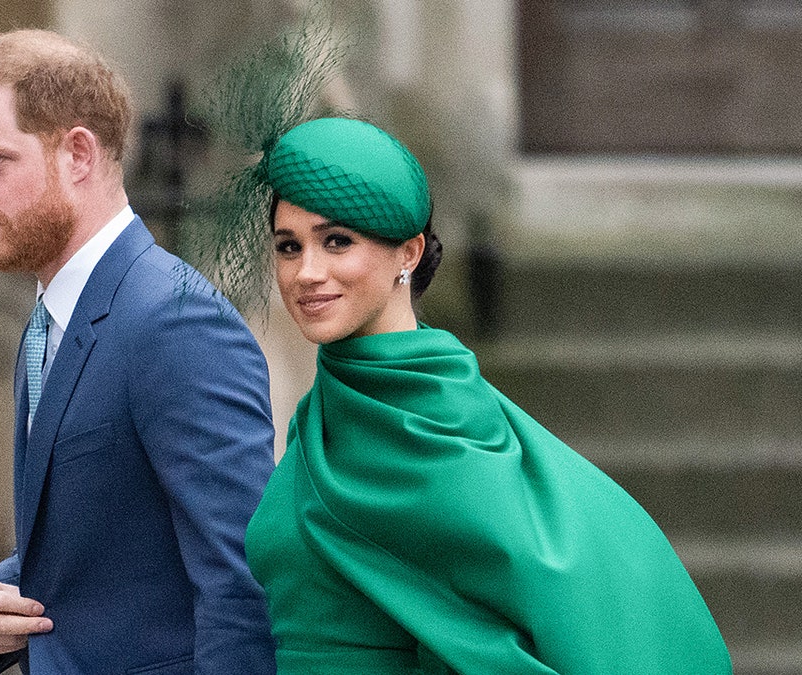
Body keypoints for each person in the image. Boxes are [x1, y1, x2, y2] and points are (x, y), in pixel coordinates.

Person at [236, 117, 733, 673]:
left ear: (408, 252)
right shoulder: (321, 416)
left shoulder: (440, 425)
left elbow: (554, 605)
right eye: (288, 246)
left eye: (337, 242)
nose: (306, 272)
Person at [0, 29, 276, 674]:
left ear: (78, 155)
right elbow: (109, 537)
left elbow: (243, 581)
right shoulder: (51, 321)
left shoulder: (176, 321)